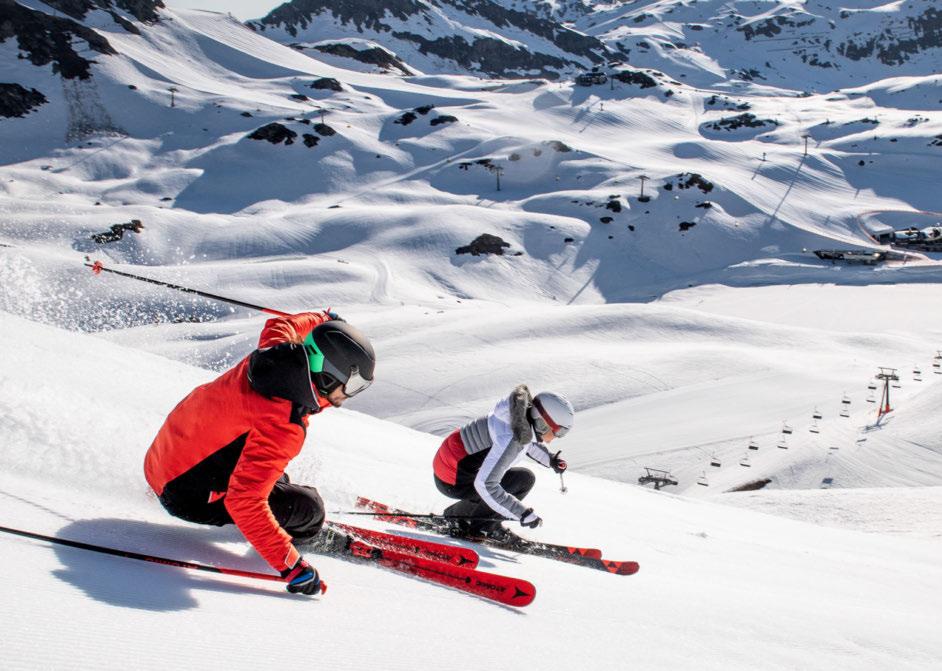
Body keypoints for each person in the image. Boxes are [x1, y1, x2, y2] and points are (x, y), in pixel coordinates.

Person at [144, 310, 375, 596]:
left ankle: (273, 521)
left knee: (275, 475)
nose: (350, 395)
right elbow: (245, 500)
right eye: (352, 385)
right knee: (309, 508)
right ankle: (304, 536)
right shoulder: (282, 425)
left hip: (165, 458)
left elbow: (283, 324)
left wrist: (323, 318)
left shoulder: (274, 351)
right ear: (327, 375)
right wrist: (291, 565)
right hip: (183, 496)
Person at [432, 385, 574, 542]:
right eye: (559, 431)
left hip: (450, 466)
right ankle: (481, 528)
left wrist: (551, 459)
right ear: (542, 423)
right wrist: (522, 513)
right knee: (520, 481)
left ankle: (457, 516)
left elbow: (528, 443)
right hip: (452, 479)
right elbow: (485, 484)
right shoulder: (511, 438)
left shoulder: (518, 418)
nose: (559, 437)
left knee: (519, 479)